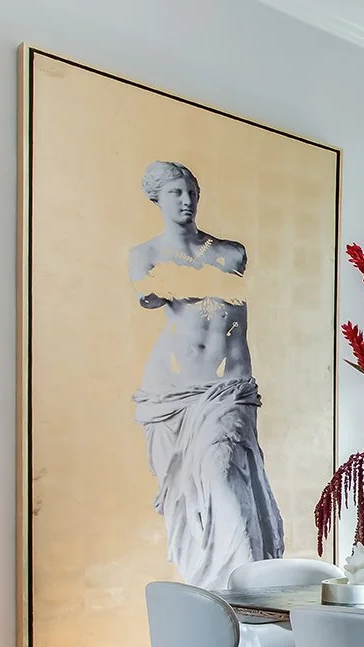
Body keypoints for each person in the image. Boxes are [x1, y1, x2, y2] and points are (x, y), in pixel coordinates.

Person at [129, 161, 284, 589]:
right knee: (186, 501)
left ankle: (244, 595)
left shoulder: (231, 252)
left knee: (220, 478)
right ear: (157, 199)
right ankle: (210, 596)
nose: (185, 200)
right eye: (175, 192)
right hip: (171, 392)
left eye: (191, 191)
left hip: (228, 390)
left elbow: (188, 286)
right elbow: (149, 292)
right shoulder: (143, 256)